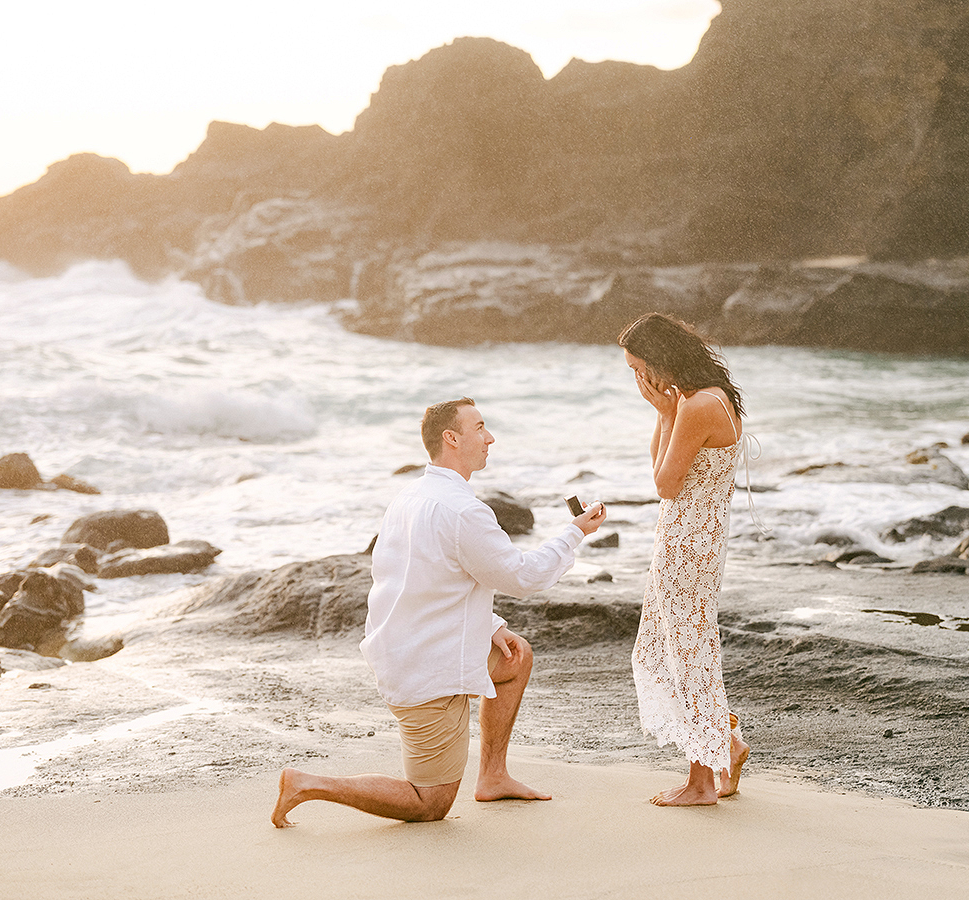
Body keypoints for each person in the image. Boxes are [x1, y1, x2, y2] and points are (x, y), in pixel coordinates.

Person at [272, 397, 606, 826]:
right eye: (480, 428)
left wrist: (490, 625)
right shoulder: (464, 510)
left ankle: (493, 777)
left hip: (405, 647)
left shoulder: (410, 496)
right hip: (426, 667)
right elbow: (523, 578)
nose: (490, 437)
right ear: (452, 438)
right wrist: (574, 532)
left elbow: (422, 581)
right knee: (429, 804)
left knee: (513, 654)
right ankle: (306, 783)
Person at [618, 312, 753, 807]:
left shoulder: (695, 406)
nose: (638, 379)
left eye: (638, 367)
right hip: (698, 539)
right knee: (682, 649)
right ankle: (727, 746)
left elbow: (663, 483)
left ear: (661, 360)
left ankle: (700, 783)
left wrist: (664, 413)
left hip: (687, 545)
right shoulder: (711, 395)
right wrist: (663, 413)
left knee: (689, 654)